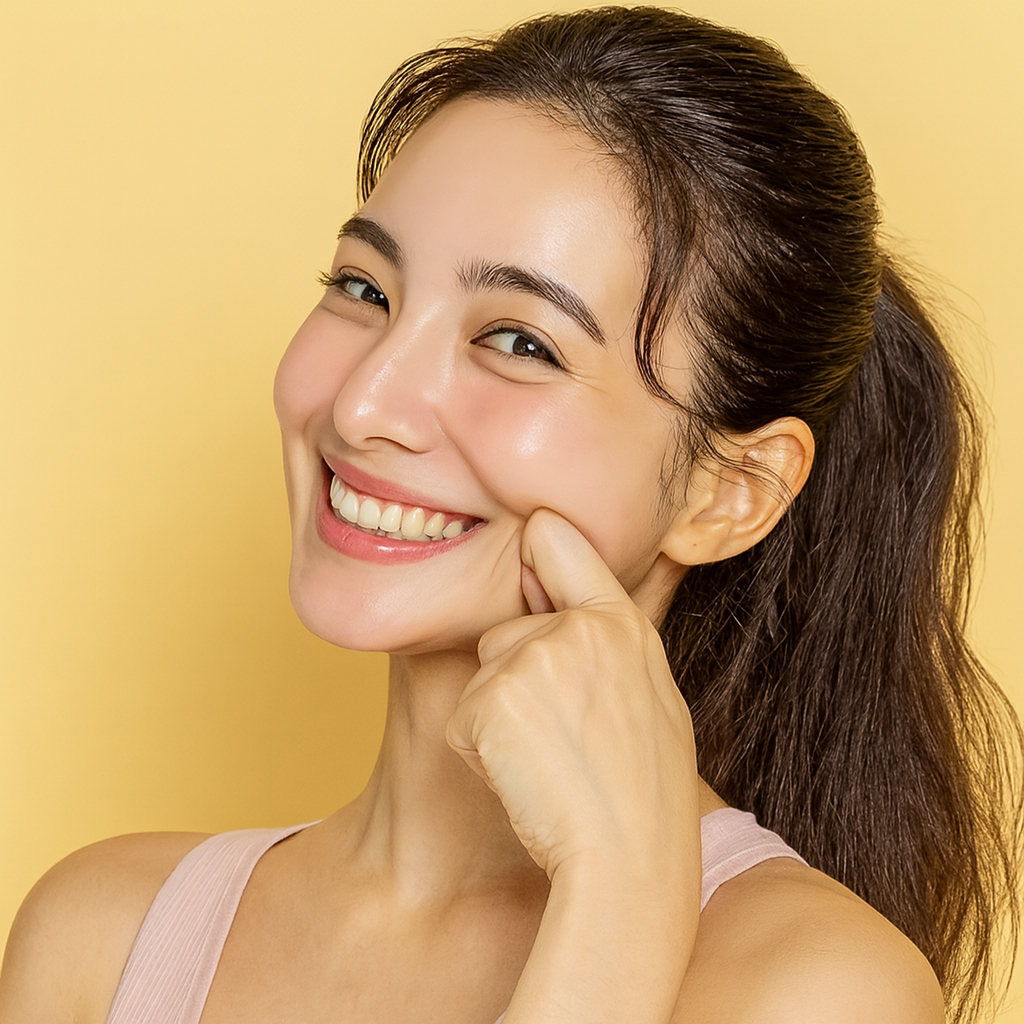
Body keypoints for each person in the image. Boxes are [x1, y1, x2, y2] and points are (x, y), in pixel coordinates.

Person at [0, 6, 1020, 1023]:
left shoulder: (814, 991)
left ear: (729, 491)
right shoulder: (106, 936)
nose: (362, 405)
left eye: (520, 343)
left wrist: (621, 898)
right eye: (364, 287)